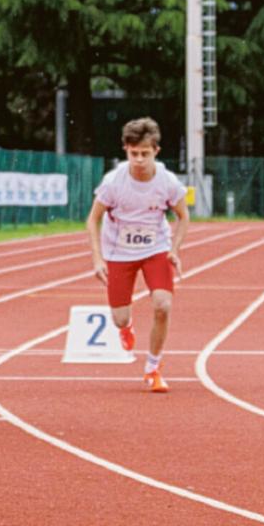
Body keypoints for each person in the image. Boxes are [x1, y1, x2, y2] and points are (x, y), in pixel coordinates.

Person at [86, 117, 189, 393]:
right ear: (125, 150)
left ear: (156, 151)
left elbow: (183, 215)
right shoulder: (113, 182)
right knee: (119, 316)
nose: (139, 160)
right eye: (134, 154)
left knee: (163, 305)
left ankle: (153, 368)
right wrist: (97, 258)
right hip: (119, 252)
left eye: (145, 154)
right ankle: (126, 326)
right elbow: (92, 219)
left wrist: (175, 249)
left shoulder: (167, 181)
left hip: (155, 248)